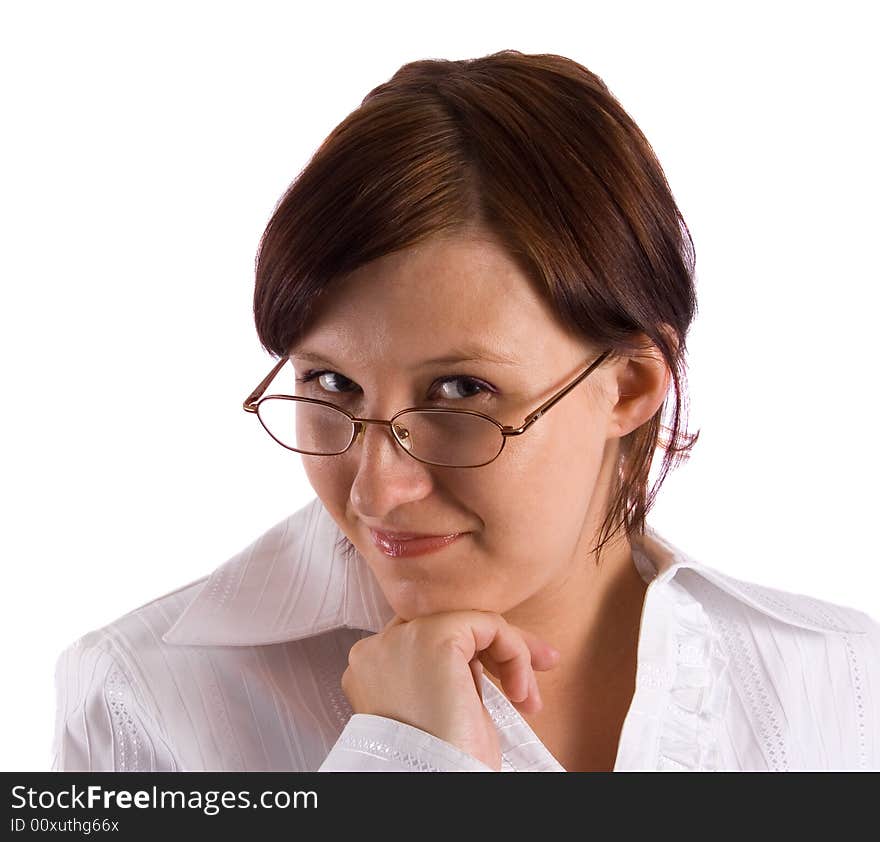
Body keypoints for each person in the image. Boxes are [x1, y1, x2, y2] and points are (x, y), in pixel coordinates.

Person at [51, 50, 879, 772]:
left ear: (628, 386)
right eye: (331, 385)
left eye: (459, 392)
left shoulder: (844, 691)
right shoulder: (144, 696)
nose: (377, 490)